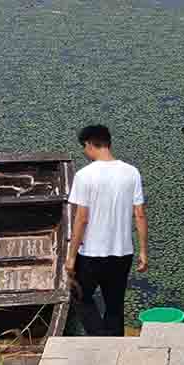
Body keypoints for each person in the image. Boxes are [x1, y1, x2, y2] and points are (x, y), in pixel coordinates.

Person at [65, 125, 148, 336]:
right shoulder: (132, 172)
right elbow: (139, 214)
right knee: (115, 304)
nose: (85, 152)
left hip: (92, 254)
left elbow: (81, 219)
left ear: (90, 145)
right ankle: (114, 346)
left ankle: (99, 338)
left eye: (84, 147)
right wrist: (143, 251)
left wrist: (71, 257)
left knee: (79, 297)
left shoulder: (85, 175)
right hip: (122, 253)